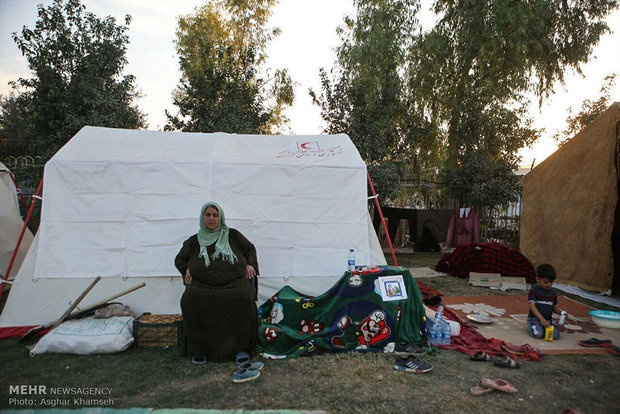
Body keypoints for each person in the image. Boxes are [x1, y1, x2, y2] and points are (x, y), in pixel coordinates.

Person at [175, 202, 263, 383]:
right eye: (208, 215)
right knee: (189, 300)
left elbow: (250, 249)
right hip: (203, 286)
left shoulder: (233, 236)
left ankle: (241, 351)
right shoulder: (194, 241)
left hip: (234, 284)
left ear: (220, 217)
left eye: (215, 215)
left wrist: (249, 264)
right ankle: (200, 350)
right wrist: (187, 270)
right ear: (202, 217)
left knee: (244, 299)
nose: (211, 218)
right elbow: (179, 259)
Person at [527, 264, 564, 340]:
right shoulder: (534, 291)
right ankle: (533, 325)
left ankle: (544, 327)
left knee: (555, 336)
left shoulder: (553, 292)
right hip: (535, 319)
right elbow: (532, 307)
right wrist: (541, 319)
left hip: (548, 320)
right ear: (537, 279)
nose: (549, 284)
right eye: (546, 282)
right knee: (538, 334)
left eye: (551, 282)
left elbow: (555, 308)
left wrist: (561, 313)